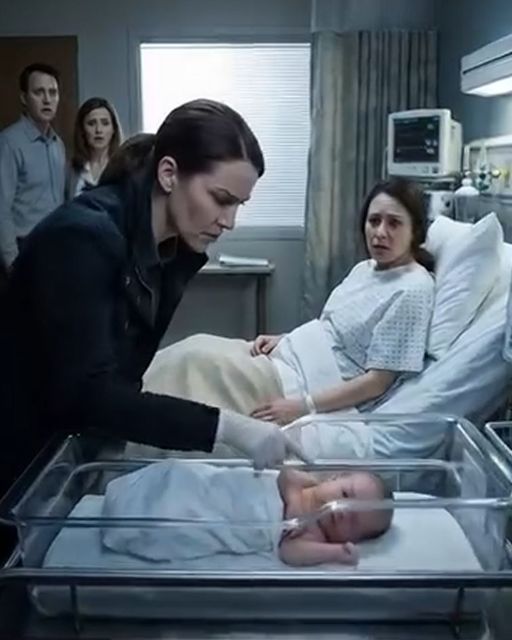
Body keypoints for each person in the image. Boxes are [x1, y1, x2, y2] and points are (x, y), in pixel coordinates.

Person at [0, 99, 308, 507]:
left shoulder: (167, 250)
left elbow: (123, 375)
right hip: (17, 453)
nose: (229, 221)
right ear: (168, 174)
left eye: (238, 205)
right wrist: (226, 427)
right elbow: (88, 392)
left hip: (66, 451)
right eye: (221, 199)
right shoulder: (81, 238)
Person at [141, 178, 435, 437]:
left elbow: (377, 382)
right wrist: (284, 339)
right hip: (289, 357)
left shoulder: (413, 289)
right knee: (196, 347)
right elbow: (329, 329)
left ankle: (124, 430)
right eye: (374, 221)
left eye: (394, 223)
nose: (380, 232)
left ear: (416, 231)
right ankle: (123, 403)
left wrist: (303, 406)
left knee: (195, 366)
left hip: (305, 383)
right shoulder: (365, 269)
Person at [101, 460, 393, 567]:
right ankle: (139, 494)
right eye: (345, 495)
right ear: (334, 479)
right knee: (181, 477)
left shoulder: (313, 534)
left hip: (229, 520)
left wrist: (335, 553)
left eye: (354, 520)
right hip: (229, 489)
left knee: (178, 521)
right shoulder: (307, 485)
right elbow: (285, 474)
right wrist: (293, 504)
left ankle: (136, 522)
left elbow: (290, 553)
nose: (342, 511)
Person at [0, 63, 66, 267]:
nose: (47, 99)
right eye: (39, 92)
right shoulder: (9, 142)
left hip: (56, 244)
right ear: (24, 98)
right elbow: (1, 209)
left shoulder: (58, 144)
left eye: (53, 93)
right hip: (24, 246)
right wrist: (12, 261)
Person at [68, 97, 122, 197]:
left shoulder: (124, 168)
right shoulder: (72, 170)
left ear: (113, 129)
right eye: (91, 124)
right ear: (82, 130)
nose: (98, 130)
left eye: (105, 123)